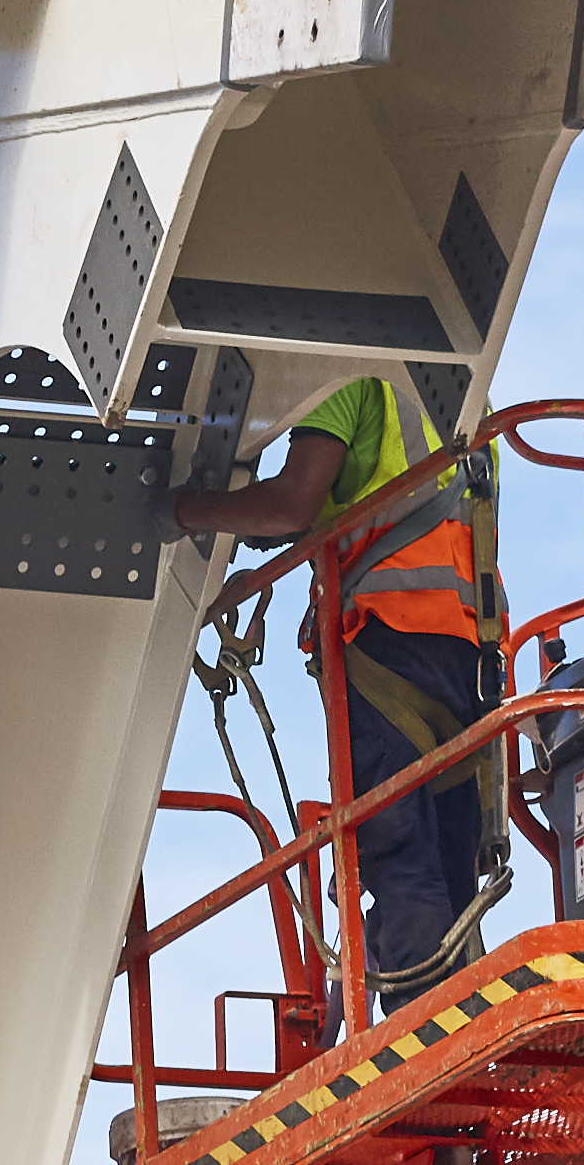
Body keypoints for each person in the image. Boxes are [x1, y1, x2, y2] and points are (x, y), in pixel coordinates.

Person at [169, 372, 503, 991]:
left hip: (389, 642)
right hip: (471, 654)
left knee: (399, 853)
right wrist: (270, 559)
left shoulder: (350, 378)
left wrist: (186, 508)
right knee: (452, 864)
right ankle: (457, 1026)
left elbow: (295, 499)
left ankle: (419, 1042)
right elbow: (392, 503)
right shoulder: (464, 390)